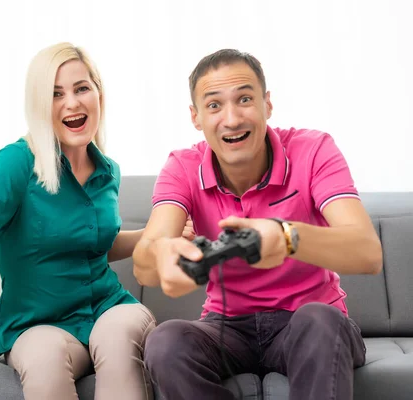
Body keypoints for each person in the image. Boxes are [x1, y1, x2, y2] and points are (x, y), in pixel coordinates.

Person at [0, 42, 190, 400]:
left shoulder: (107, 171)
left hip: (109, 308)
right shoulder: (15, 163)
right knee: (45, 361)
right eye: (55, 94)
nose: (72, 103)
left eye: (81, 89)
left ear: (98, 95)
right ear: (38, 106)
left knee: (118, 338)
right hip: (37, 322)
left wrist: (160, 233)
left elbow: (97, 246)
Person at [132, 49, 383, 400]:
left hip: (307, 323)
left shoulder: (314, 150)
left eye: (245, 99)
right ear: (196, 117)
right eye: (215, 105)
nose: (232, 119)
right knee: (166, 341)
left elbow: (368, 252)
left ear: (267, 104)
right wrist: (162, 254)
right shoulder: (182, 166)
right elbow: (146, 261)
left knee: (320, 321)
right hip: (227, 327)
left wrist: (287, 237)